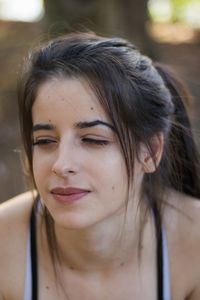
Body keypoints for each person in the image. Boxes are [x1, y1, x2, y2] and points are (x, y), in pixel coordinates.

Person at [0, 32, 200, 300]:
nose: (62, 165)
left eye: (94, 140)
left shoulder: (193, 245)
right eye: (45, 140)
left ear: (150, 152)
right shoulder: (5, 246)